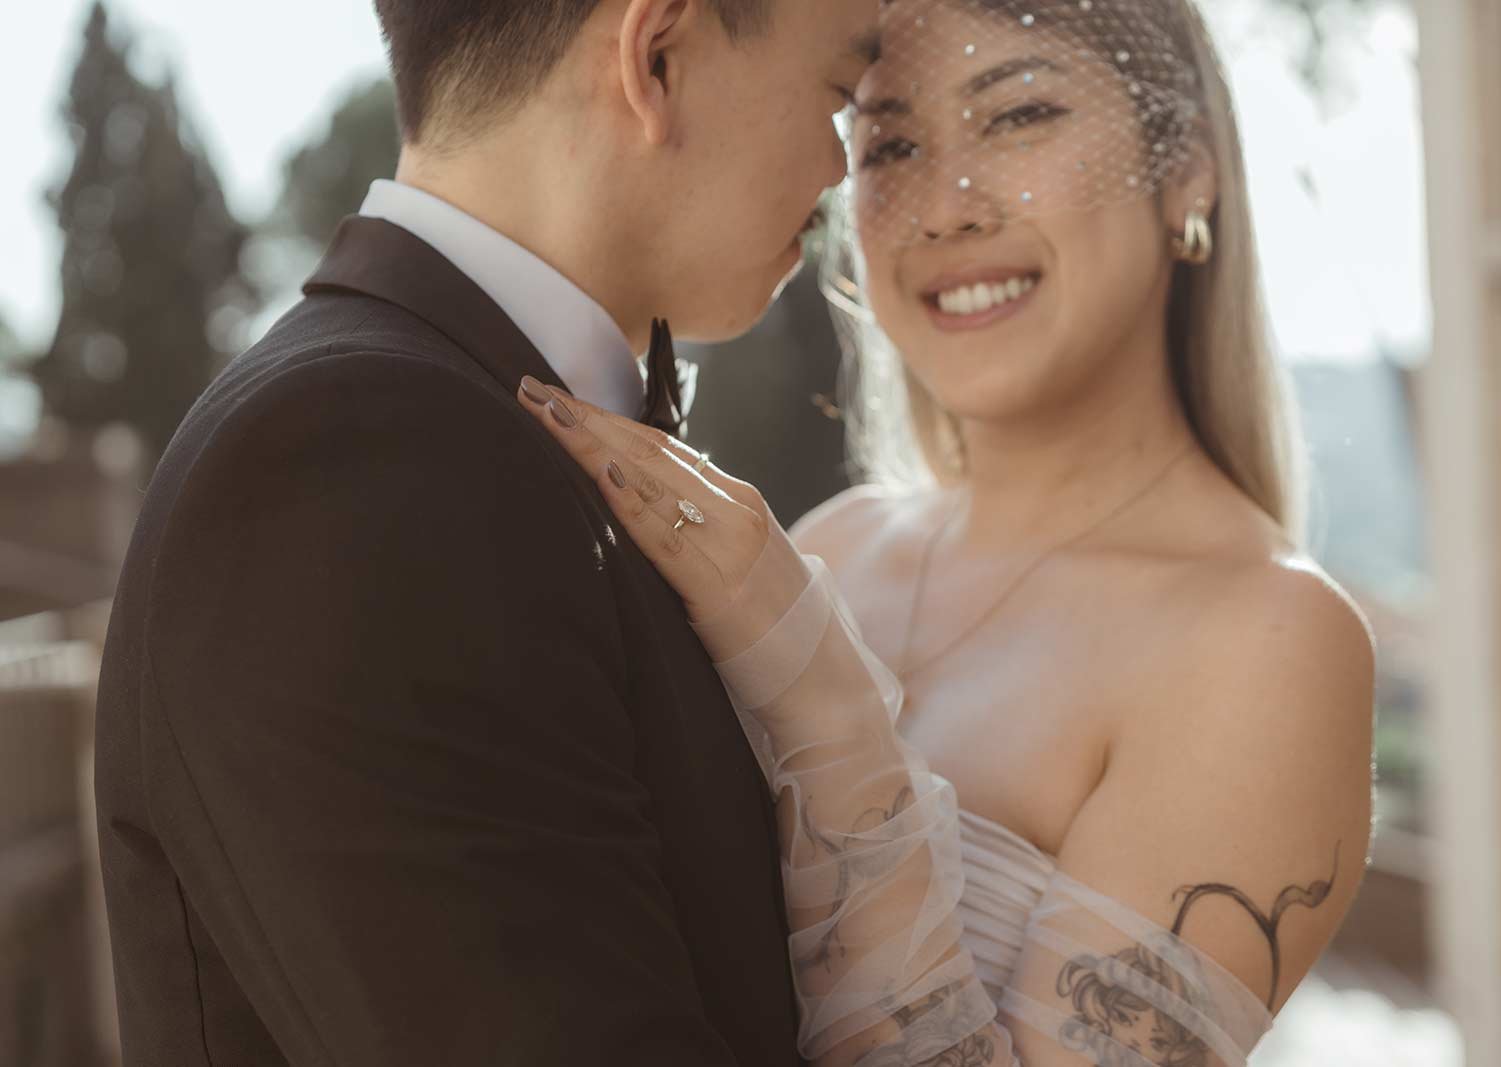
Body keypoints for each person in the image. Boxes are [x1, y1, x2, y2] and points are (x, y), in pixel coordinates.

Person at [524, 0, 1377, 1063]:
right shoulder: (828, 545)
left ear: (1190, 168)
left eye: (1018, 116)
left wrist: (823, 702)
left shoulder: (1266, 640)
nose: (942, 208)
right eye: (887, 142)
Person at [93, 0, 878, 1063]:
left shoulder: (461, 439)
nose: (842, 165)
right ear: (656, 55)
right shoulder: (352, 470)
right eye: (839, 91)